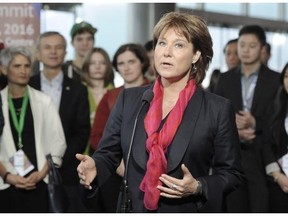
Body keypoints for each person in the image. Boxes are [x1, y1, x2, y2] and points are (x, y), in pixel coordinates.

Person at [76, 11, 243, 213]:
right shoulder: (130, 99)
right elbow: (108, 154)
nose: (167, 52)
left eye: (179, 45)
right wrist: (95, 166)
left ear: (196, 55)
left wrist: (198, 186)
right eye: (162, 43)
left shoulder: (216, 108)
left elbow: (231, 173)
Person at [215, 25, 280, 212]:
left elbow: (280, 119)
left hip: (264, 155)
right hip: (233, 155)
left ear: (262, 49)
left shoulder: (276, 80)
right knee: (234, 206)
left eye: (252, 45)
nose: (245, 50)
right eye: (242, 44)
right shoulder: (225, 79)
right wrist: (233, 126)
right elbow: (216, 115)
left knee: (262, 206)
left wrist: (254, 122)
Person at [29, 31, 90, 212]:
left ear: (65, 53)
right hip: (31, 170)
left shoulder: (78, 89)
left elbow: (82, 131)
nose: (53, 52)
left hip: (66, 171)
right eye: (47, 47)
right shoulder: (27, 85)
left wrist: (58, 160)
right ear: (38, 53)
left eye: (59, 47)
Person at [0, 46, 66, 212]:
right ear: (3, 69)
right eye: (17, 66)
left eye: (27, 65)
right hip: (6, 182)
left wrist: (42, 173)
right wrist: (8, 176)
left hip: (40, 181)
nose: (23, 70)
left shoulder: (44, 101)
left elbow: (58, 141)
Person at [87, 43, 150, 212]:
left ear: (142, 62)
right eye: (121, 63)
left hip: (149, 169)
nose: (127, 67)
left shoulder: (157, 92)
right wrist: (116, 162)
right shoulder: (111, 96)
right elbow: (96, 136)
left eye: (131, 61)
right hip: (114, 172)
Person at [262, 63, 288, 212]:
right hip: (279, 183)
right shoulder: (276, 108)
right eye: (286, 76)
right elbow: (266, 144)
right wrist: (277, 175)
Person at [81, 47, 114, 155]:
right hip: (82, 150)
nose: (97, 66)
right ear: (86, 66)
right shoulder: (78, 92)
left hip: (109, 151)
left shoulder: (116, 93)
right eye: (92, 63)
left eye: (102, 63)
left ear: (108, 66)